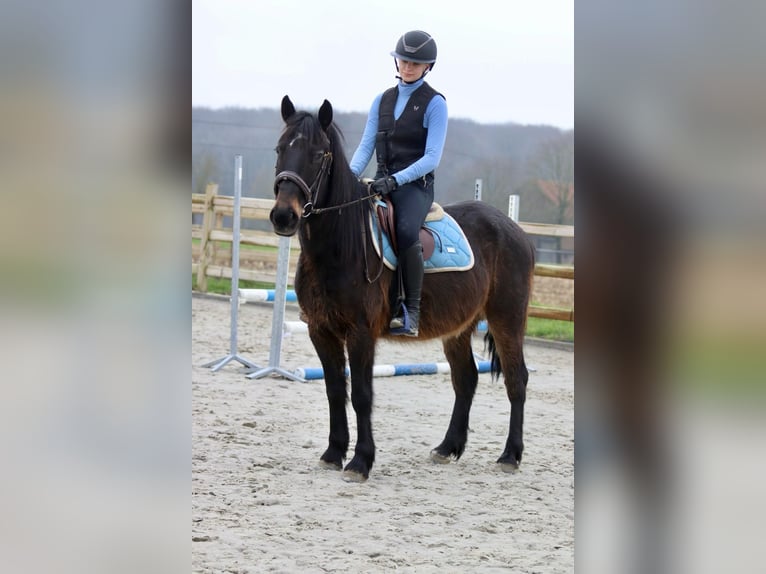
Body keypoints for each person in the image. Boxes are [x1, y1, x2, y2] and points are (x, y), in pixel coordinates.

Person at [350, 30, 448, 337]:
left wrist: (396, 180)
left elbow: (432, 157)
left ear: (427, 67)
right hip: (381, 181)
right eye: (404, 61)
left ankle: (411, 310)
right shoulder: (382, 101)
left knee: (406, 231)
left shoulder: (435, 103)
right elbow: (366, 146)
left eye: (415, 64)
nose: (407, 67)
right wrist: (347, 179)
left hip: (414, 186)